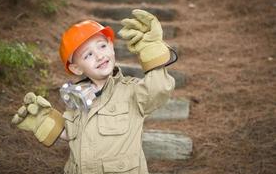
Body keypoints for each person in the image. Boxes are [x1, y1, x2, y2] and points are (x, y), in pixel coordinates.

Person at [11, 9, 177, 174]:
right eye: (88, 54)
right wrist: (44, 122)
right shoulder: (77, 97)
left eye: (102, 46)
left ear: (112, 47)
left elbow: (159, 89)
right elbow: (72, 134)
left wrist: (151, 50)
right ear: (76, 68)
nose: (99, 56)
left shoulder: (132, 91)